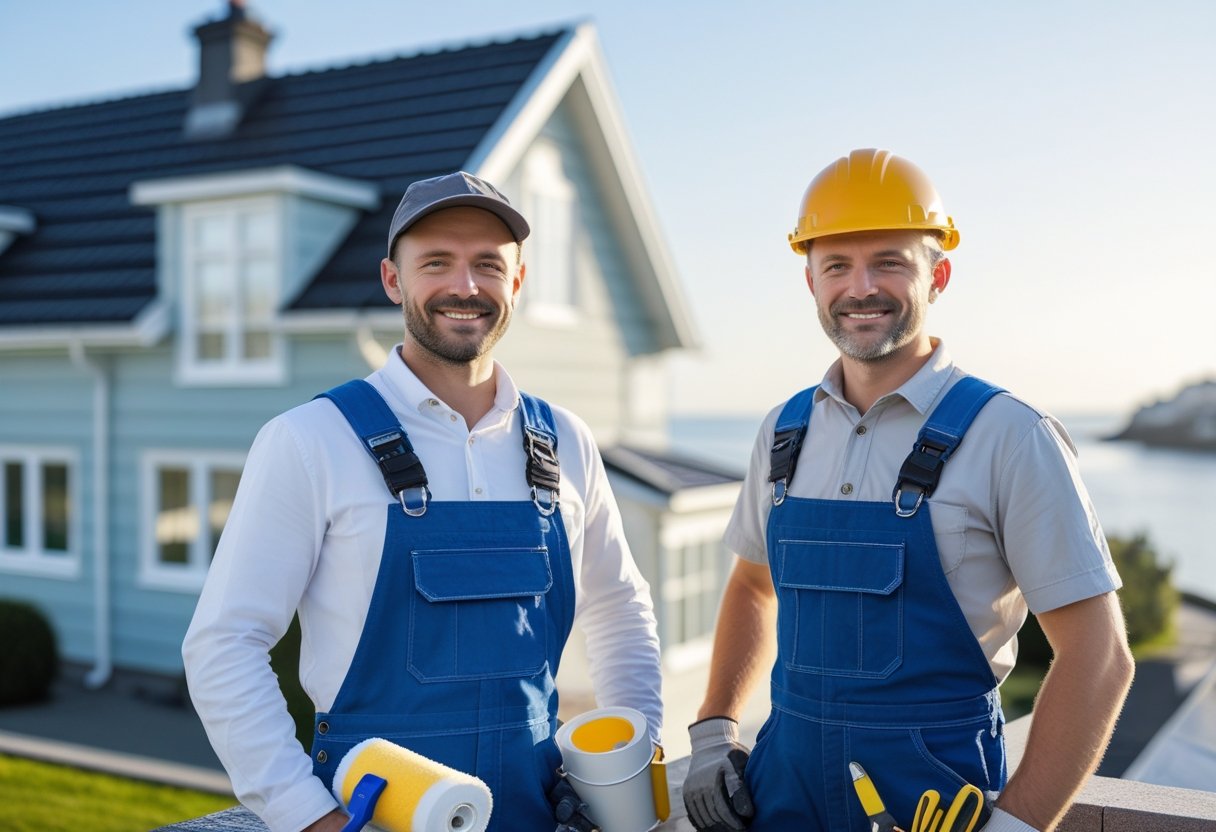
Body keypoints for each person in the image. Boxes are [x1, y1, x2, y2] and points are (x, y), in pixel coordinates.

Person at [183, 171, 662, 832]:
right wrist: (308, 816)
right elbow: (222, 645)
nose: (465, 287)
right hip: (373, 816)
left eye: (487, 266)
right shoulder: (308, 441)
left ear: (516, 284)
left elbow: (620, 609)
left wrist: (632, 769)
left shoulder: (567, 444)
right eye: (436, 262)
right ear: (392, 280)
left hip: (538, 814)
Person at [682, 149, 1133, 832]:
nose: (861, 287)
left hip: (936, 806)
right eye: (837, 266)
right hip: (781, 796)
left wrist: (1016, 825)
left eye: (889, 262)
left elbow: (1098, 657)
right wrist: (715, 727)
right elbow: (752, 586)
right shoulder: (784, 432)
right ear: (810, 281)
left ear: (938, 275)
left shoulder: (1010, 435)